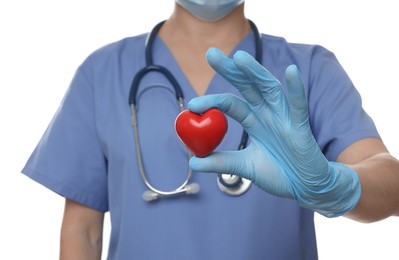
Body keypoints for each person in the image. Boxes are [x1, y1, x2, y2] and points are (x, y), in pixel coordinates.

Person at [21, 0, 399, 259]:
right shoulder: (102, 72)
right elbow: (82, 234)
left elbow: (391, 182)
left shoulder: (308, 70)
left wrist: (335, 187)